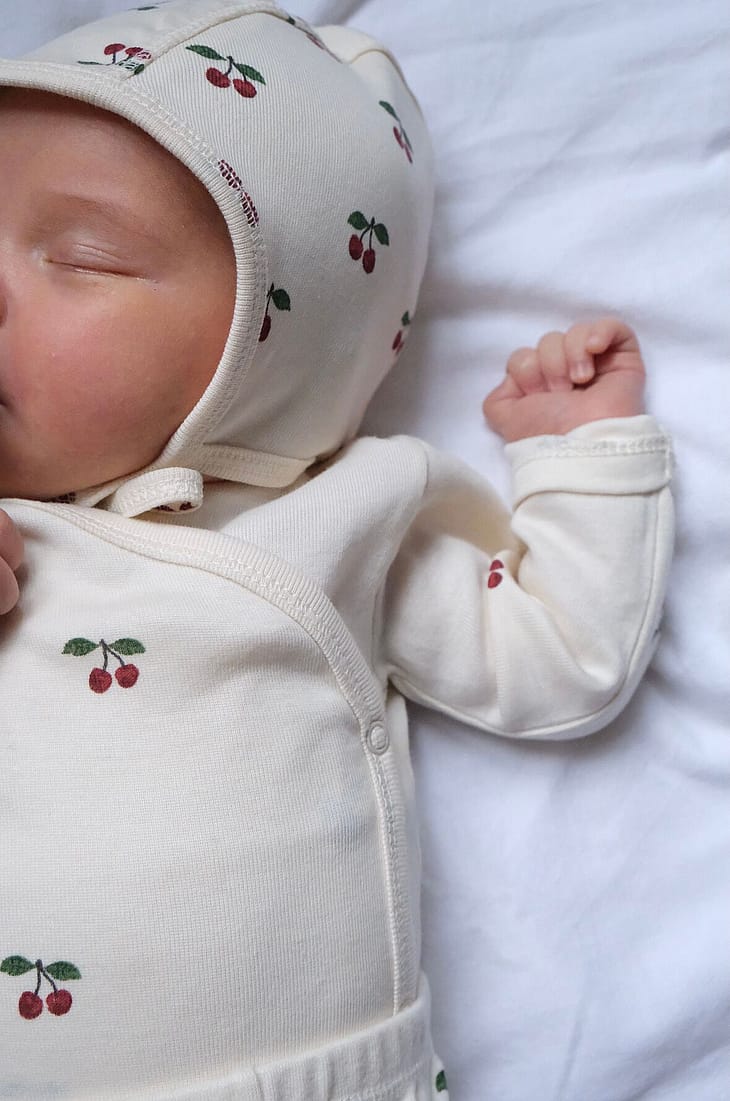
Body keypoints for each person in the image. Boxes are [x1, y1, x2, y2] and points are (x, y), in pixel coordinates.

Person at [0, 2, 673, 1097]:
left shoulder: (348, 516)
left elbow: (563, 659)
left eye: (83, 257)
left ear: (278, 340)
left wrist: (582, 455)